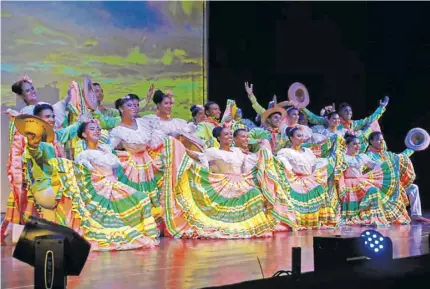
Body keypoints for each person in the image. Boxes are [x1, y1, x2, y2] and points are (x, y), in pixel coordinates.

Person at [338, 133, 410, 226]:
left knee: (374, 191)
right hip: (348, 184)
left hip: (361, 181)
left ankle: (373, 217)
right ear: (347, 145)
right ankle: (360, 216)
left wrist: (390, 165)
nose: (358, 146)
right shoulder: (342, 157)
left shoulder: (362, 157)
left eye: (359, 144)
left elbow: (375, 166)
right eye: (354, 144)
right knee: (371, 192)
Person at [276, 127, 338, 229]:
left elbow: (314, 165)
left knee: (321, 190)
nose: (301, 138)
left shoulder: (308, 151)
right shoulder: (285, 152)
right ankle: (300, 222)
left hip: (310, 178)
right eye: (298, 136)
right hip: (296, 179)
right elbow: (285, 166)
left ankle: (317, 221)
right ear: (291, 138)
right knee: (295, 197)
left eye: (302, 136)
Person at [366, 132, 430, 223]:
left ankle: (416, 215)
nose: (381, 141)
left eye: (382, 139)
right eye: (378, 139)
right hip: (381, 185)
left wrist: (413, 147)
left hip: (393, 184)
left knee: (413, 188)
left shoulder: (386, 154)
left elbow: (401, 157)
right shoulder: (368, 155)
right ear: (371, 141)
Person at [301, 97, 389, 132]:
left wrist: (381, 108)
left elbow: (370, 119)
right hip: (333, 150)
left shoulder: (353, 124)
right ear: (339, 113)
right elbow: (313, 117)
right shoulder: (331, 121)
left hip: (349, 150)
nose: (349, 112)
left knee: (371, 125)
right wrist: (301, 107)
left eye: (350, 110)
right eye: (346, 110)